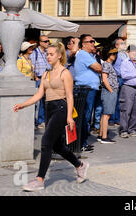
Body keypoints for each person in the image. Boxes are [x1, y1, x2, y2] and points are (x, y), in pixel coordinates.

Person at [13, 42, 89, 192]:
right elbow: (39, 94)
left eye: (51, 54)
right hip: (49, 109)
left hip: (61, 108)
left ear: (59, 56)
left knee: (46, 142)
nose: (48, 56)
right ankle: (80, 165)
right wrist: (23, 104)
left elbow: (69, 96)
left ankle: (39, 179)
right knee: (57, 146)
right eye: (47, 54)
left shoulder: (65, 73)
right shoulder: (46, 73)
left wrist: (69, 117)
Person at [74, 34, 102, 152]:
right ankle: (80, 143)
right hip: (85, 89)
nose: (93, 43)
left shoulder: (87, 54)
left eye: (93, 41)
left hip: (88, 88)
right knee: (84, 117)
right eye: (91, 41)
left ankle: (82, 142)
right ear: (84, 44)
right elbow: (99, 68)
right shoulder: (84, 54)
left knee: (85, 117)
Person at [119, 44, 136, 138]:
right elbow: (124, 75)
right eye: (132, 51)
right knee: (126, 109)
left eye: (135, 51)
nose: (134, 53)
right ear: (128, 52)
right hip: (127, 87)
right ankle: (123, 130)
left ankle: (132, 129)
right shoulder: (124, 62)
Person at [97, 47, 119, 144]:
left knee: (104, 114)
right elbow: (104, 78)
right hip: (109, 91)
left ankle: (101, 134)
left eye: (115, 54)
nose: (114, 56)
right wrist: (111, 90)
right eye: (112, 54)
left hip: (108, 91)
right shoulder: (106, 64)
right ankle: (104, 137)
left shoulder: (107, 64)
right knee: (107, 115)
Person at [31, 35, 52, 128]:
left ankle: (41, 120)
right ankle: (33, 120)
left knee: (44, 101)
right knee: (36, 101)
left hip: (48, 78)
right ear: (40, 43)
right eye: (45, 41)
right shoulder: (34, 53)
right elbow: (32, 66)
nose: (47, 43)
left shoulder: (48, 52)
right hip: (38, 78)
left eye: (48, 41)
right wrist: (36, 78)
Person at [111, 37, 128, 126]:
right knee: (113, 99)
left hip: (123, 78)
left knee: (119, 100)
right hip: (116, 78)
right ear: (116, 45)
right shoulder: (114, 54)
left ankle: (117, 119)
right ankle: (111, 119)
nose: (124, 45)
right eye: (122, 43)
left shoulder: (125, 54)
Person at [91, 42, 104, 135]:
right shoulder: (87, 57)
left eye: (97, 48)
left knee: (98, 107)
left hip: (99, 85)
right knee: (89, 107)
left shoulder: (99, 59)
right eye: (95, 47)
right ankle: (88, 125)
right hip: (91, 85)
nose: (96, 49)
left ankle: (96, 126)